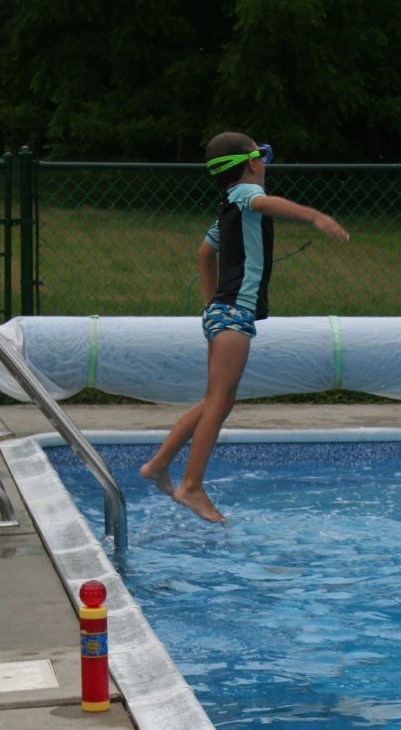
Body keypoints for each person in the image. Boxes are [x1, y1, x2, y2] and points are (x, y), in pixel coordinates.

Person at [140, 131, 350, 523]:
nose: (266, 163)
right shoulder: (244, 196)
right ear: (253, 162)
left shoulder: (228, 206)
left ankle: (159, 464)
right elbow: (265, 201)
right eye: (264, 155)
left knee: (211, 399)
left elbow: (206, 252)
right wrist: (316, 216)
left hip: (221, 311)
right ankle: (191, 486)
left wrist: (209, 305)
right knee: (220, 402)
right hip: (235, 312)